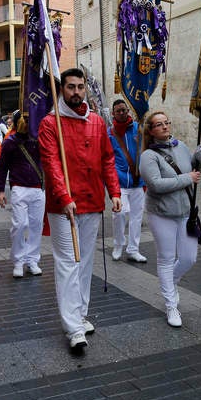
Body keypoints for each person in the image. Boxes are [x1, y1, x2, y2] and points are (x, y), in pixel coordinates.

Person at [39, 68, 121, 351]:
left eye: (80, 87)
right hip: (65, 207)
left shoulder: (97, 121)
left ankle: (80, 314)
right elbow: (51, 163)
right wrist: (64, 197)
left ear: (86, 88)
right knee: (67, 263)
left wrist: (115, 192)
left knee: (85, 262)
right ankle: (72, 327)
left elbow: (108, 159)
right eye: (71, 87)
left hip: (92, 201)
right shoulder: (51, 123)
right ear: (62, 89)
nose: (76, 92)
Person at [138, 111, 200, 327]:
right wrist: (187, 178)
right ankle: (171, 305)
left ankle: (171, 283)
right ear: (151, 130)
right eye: (159, 124)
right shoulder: (148, 156)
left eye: (167, 122)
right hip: (161, 213)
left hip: (185, 212)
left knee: (189, 257)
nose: (165, 126)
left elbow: (193, 167)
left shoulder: (181, 146)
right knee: (165, 258)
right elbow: (156, 184)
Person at [0, 110, 44, 278]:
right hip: (19, 188)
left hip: (38, 188)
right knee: (19, 225)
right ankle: (18, 261)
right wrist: (1, 190)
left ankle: (32, 260)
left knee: (36, 226)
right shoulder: (10, 142)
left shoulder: (38, 140)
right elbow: (2, 166)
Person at [108, 99, 147, 263]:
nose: (122, 113)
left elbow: (148, 149)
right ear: (113, 114)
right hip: (120, 182)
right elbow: (107, 157)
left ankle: (133, 249)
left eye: (124, 110)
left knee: (137, 217)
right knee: (119, 213)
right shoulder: (109, 133)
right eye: (119, 111)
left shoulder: (139, 129)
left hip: (138, 180)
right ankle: (118, 244)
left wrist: (143, 140)